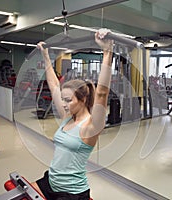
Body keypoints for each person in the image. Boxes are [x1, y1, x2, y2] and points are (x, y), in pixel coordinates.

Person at [30, 29, 114, 200]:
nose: (63, 104)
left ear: (82, 100)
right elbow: (53, 84)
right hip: (51, 182)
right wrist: (46, 56)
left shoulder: (91, 127)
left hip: (72, 192)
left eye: (68, 100)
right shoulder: (66, 116)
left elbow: (102, 93)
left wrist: (107, 51)